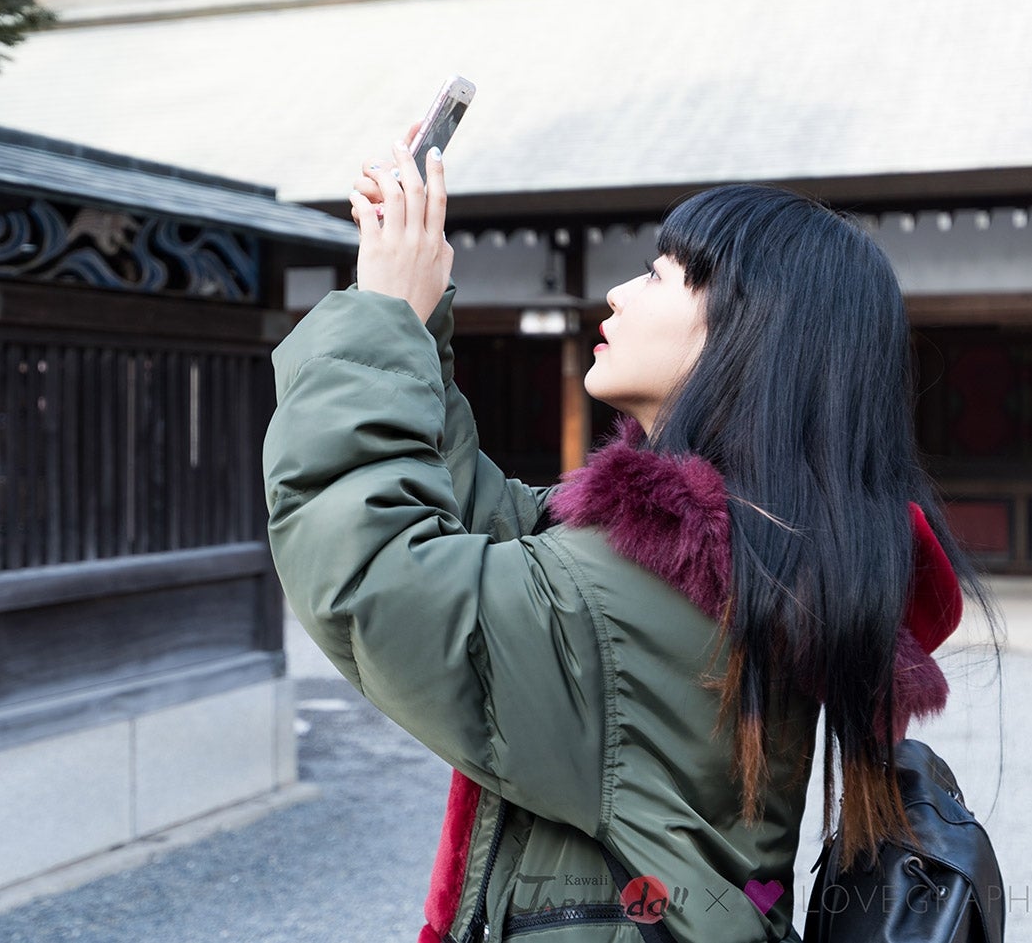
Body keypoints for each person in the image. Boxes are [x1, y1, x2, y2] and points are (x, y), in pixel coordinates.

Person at [262, 132, 990, 943]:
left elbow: (370, 573)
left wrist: (380, 320)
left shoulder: (644, 597)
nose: (614, 292)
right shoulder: (743, 558)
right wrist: (413, 326)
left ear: (748, 330)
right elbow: (499, 527)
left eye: (656, 273)